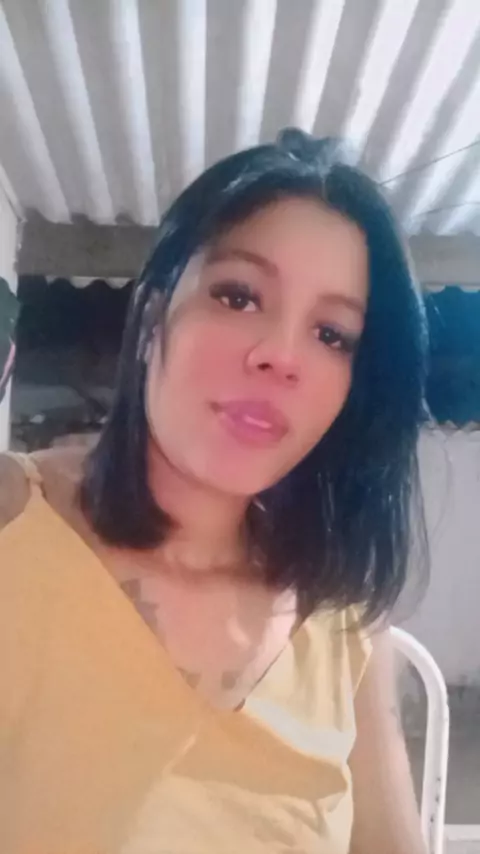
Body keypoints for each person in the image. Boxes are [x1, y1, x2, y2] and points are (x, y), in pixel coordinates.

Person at [0, 129, 429, 853]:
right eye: (238, 296)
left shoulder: (342, 614)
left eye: (332, 334)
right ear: (152, 317)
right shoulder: (15, 520)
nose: (281, 355)